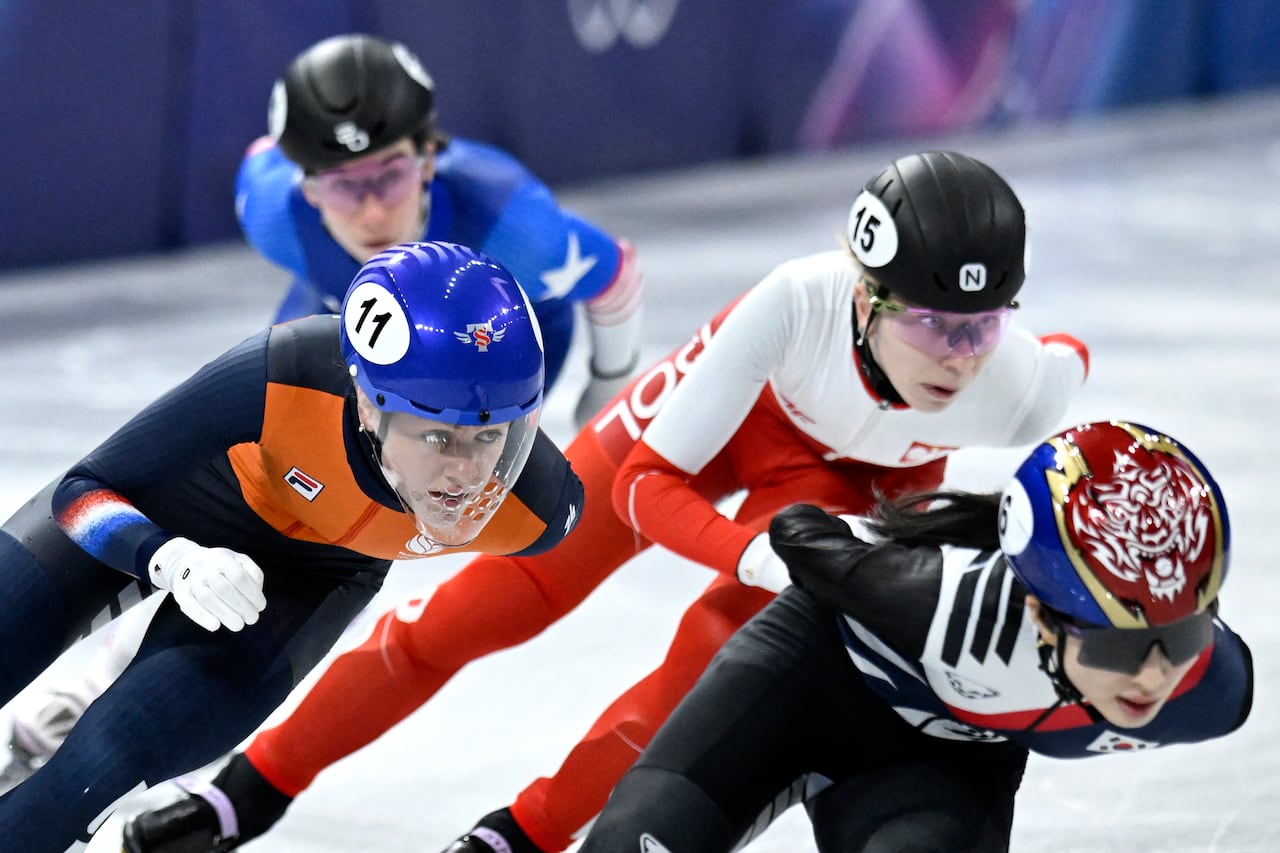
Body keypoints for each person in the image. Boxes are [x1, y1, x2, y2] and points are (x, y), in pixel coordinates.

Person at [120, 151, 1089, 853]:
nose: (958, 354)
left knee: (706, 683)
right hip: (712, 427)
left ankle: (525, 835)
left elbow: (1059, 393)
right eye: (928, 321)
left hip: (850, 485)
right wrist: (757, 551)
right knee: (472, 611)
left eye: (980, 325)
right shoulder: (794, 302)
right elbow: (642, 486)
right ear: (864, 299)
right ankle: (251, 788)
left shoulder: (1017, 385)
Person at [0, 30, 643, 792]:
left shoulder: (511, 220)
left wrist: (607, 396)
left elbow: (615, 277)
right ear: (304, 184)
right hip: (345, 326)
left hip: (490, 367)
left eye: (391, 174)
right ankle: (92, 682)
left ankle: (107, 699)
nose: (370, 205)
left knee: (345, 513)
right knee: (236, 477)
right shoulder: (272, 206)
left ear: (430, 155)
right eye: (340, 182)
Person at [0, 241, 583, 850]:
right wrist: (169, 557)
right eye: (437, 437)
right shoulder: (286, 371)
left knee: (97, 772)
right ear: (366, 402)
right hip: (170, 510)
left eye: (489, 436)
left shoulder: (535, 507)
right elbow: (80, 492)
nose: (465, 475)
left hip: (303, 584)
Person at [577, 420, 1253, 852]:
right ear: (1040, 612)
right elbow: (802, 530)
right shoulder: (949, 604)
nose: (1153, 676)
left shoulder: (1211, 688)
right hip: (804, 685)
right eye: (1117, 645)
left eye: (1184, 633)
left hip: (934, 765)